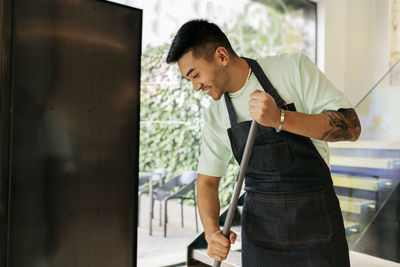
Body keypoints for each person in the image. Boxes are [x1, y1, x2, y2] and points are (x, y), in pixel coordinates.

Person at [166, 19, 361, 267]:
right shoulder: (216, 115)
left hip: (317, 228)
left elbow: (351, 126)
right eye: (188, 80)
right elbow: (207, 181)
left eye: (195, 75)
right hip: (261, 238)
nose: (195, 86)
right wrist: (211, 231)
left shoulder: (292, 68)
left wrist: (281, 118)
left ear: (222, 56)